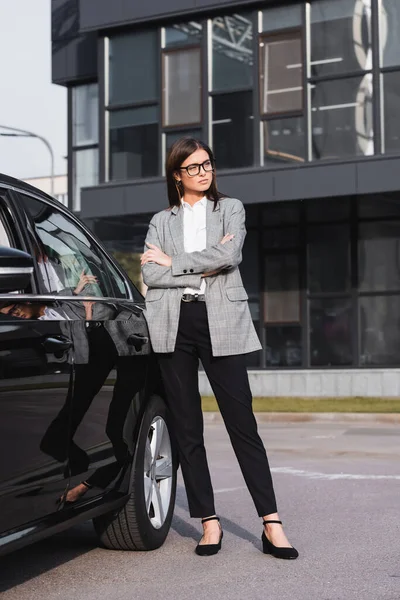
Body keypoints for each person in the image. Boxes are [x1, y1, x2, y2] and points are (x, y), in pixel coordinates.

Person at [140, 137, 298, 559]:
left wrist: (175, 262)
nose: (203, 172)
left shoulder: (230, 208)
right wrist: (196, 268)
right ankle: (209, 522)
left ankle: (271, 523)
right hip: (174, 323)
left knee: (241, 424)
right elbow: (151, 277)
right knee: (187, 427)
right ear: (177, 175)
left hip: (221, 320)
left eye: (207, 163)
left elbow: (229, 254)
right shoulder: (160, 220)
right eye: (192, 167)